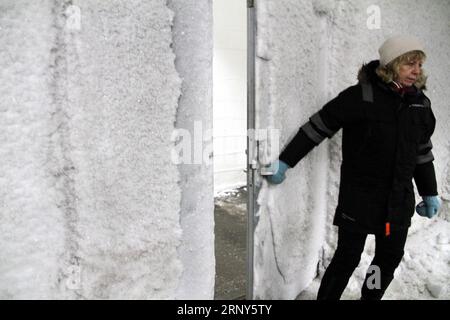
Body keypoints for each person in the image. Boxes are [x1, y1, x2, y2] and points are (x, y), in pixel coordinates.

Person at [265, 35, 441, 300]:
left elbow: (421, 153)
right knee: (347, 256)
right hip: (360, 198)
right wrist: (285, 162)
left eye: (419, 64)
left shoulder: (419, 105)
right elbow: (318, 127)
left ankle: (369, 298)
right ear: (391, 66)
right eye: (409, 64)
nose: (416, 71)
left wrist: (429, 192)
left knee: (388, 258)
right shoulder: (361, 96)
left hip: (397, 201)